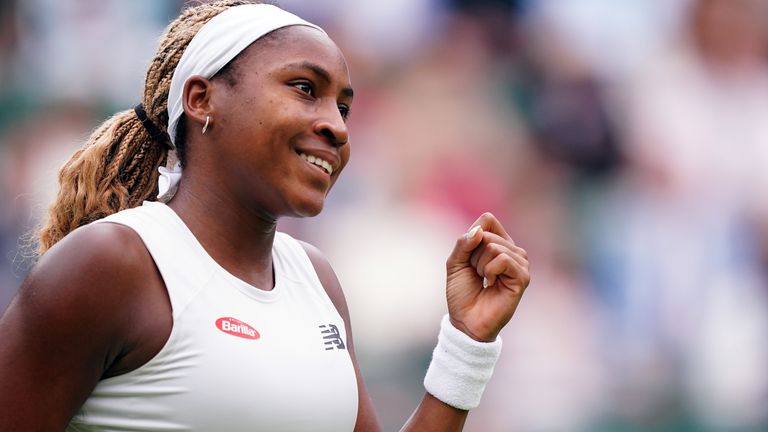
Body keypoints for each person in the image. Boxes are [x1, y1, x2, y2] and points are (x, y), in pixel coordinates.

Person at [0, 1, 530, 430]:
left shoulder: (316, 278)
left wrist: (468, 342)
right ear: (203, 99)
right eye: (304, 88)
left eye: (342, 107)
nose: (337, 127)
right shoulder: (111, 261)